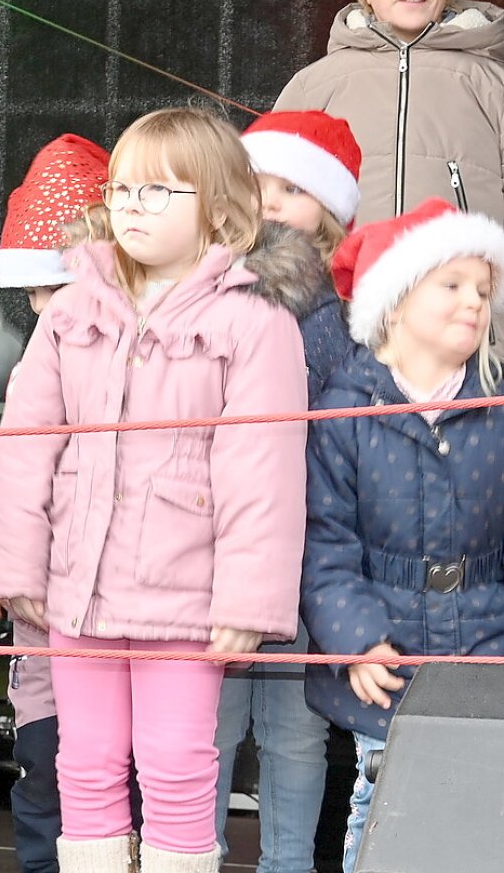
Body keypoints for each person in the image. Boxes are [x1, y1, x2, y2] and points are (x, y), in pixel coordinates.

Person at [0, 108, 314, 872]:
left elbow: (262, 470)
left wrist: (248, 603)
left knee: (178, 769)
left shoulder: (255, 324)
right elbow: (27, 450)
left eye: (159, 190)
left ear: (222, 210)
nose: (131, 203)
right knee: (83, 764)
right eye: (123, 186)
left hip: (186, 604)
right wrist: (14, 567)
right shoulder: (70, 312)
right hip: (78, 594)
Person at [302, 198, 504, 873]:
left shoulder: (498, 406)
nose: (473, 302)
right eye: (452, 285)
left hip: (487, 646)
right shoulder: (342, 410)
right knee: (383, 801)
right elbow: (324, 542)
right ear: (395, 299)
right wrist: (357, 642)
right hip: (387, 660)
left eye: (484, 288)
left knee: (481, 810)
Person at [210, 111, 362, 872]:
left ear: (330, 214)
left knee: (296, 733)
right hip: (216, 550)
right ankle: (188, 856)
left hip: (306, 553)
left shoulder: (345, 320)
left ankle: (289, 865)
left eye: (293, 189)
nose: (269, 202)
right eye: (258, 184)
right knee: (208, 725)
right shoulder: (205, 294)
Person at [0, 132, 111, 873]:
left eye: (53, 289)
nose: (41, 308)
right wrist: (13, 569)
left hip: (123, 616)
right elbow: (15, 475)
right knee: (42, 775)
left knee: (111, 783)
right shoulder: (39, 358)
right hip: (45, 621)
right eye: (33, 294)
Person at [275, 0, 504, 224]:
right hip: (344, 279)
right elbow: (266, 206)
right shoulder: (312, 86)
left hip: (463, 277)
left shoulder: (493, 82)